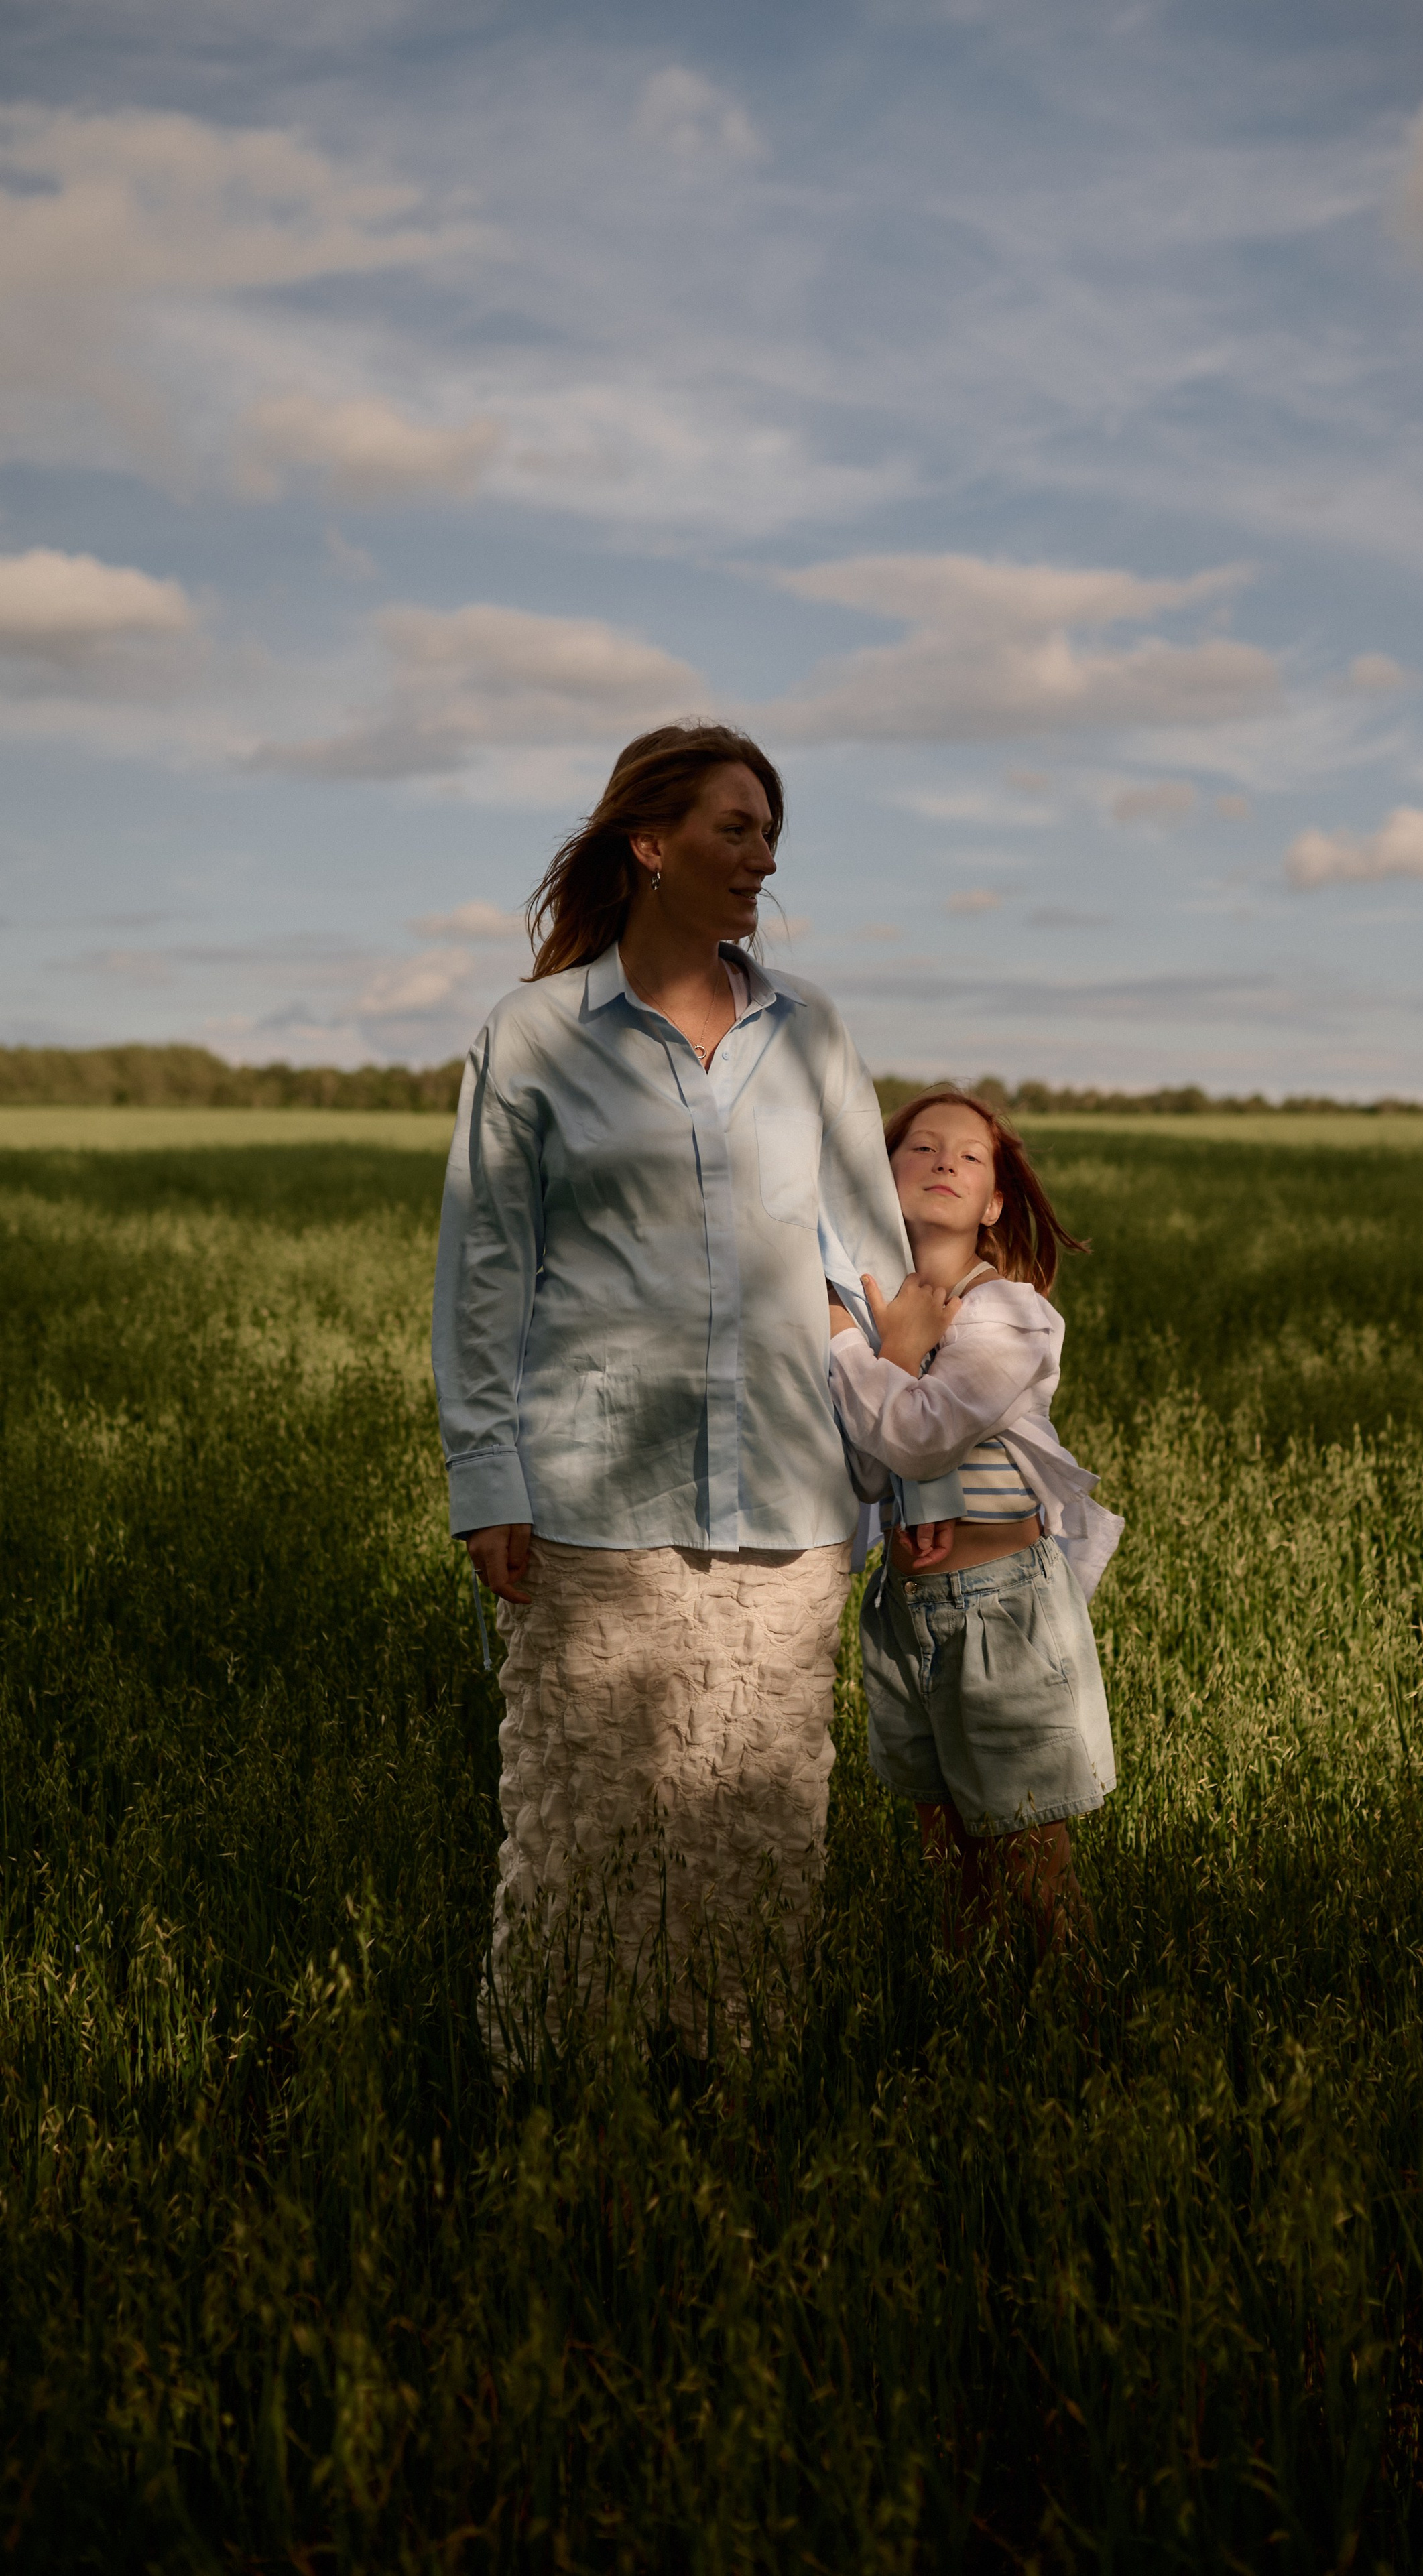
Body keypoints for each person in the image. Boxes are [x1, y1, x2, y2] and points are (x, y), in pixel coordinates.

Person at [432, 722, 922, 2050]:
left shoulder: (807, 1029)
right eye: (736, 827)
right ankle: (560, 2140)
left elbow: (875, 1269)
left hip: (790, 1511)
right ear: (649, 844)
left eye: (770, 832)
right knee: (580, 1852)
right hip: (590, 1512)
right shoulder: (531, 1037)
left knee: (757, 1853)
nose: (763, 857)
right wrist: (488, 1478)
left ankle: (732, 2138)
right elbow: (485, 1271)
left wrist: (930, 1462)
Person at [826, 1088, 1122, 1949]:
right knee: (945, 1857)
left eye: (968, 1155)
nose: (944, 1161)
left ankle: (1083, 2042)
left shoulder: (1010, 1314)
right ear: (883, 1179)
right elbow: (868, 1469)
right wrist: (892, 1346)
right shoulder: (878, 1304)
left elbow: (918, 1438)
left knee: (1031, 1862)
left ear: (994, 1200)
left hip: (1003, 1610)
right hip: (906, 1613)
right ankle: (979, 2030)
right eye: (919, 1148)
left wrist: (865, 1350)